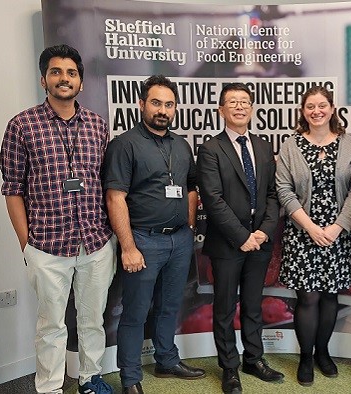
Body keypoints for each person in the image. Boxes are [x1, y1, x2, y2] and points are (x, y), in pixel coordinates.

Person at [0, 44, 116, 394]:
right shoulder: (22, 125)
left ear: (80, 82)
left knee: (92, 321)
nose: (64, 78)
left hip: (95, 242)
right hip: (47, 246)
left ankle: (90, 380)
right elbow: (12, 189)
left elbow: (104, 182)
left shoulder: (97, 125)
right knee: (51, 326)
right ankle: (49, 387)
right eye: (56, 72)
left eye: (71, 73)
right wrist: (27, 245)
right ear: (43, 79)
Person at [103, 75, 205, 394]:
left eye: (169, 104)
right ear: (142, 104)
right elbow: (114, 197)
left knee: (169, 306)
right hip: (143, 241)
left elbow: (190, 186)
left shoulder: (181, 144)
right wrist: (128, 247)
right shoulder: (124, 144)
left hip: (179, 240)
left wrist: (187, 226)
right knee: (135, 312)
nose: (162, 110)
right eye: (156, 103)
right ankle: (131, 378)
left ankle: (166, 360)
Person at [197, 82, 283, 394]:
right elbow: (213, 198)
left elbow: (273, 194)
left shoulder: (262, 146)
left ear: (252, 108)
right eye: (232, 102)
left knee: (252, 305)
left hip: (259, 241)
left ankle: (254, 358)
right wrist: (242, 236)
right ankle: (229, 367)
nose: (239, 107)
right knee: (223, 308)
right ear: (221, 110)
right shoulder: (210, 149)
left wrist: (263, 231)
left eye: (244, 102)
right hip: (228, 244)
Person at [275, 86, 351, 386]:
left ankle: (324, 353)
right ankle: (306, 358)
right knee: (308, 298)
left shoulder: (350, 144)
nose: (316, 111)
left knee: (330, 296)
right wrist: (310, 227)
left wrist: (338, 226)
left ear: (332, 108)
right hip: (303, 233)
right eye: (310, 106)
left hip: (338, 232)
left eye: (322, 105)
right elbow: (284, 190)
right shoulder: (291, 146)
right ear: (303, 111)